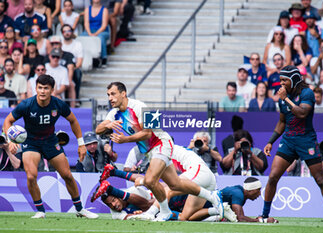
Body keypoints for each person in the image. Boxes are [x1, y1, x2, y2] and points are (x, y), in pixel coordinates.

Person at [95, 81, 223, 221]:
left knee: (150, 180)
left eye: (113, 94)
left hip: (162, 143)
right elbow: (98, 129)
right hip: (150, 151)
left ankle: (164, 211)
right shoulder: (114, 113)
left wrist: (125, 139)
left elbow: (148, 133)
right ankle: (211, 196)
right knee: (175, 184)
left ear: (123, 93)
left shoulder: (140, 107)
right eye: (108, 95)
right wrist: (108, 123)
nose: (110, 98)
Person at [2, 74, 98, 219]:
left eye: (46, 88)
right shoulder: (26, 104)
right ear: (36, 88)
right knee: (31, 176)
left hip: (51, 142)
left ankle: (80, 209)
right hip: (31, 143)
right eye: (40, 88)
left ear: (52, 90)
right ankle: (40, 210)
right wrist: (11, 140)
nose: (42, 91)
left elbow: (73, 121)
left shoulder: (58, 104)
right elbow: (8, 121)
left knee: (67, 175)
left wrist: (81, 144)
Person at [261, 65, 323, 224]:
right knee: (272, 177)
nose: (281, 84)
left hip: (306, 140)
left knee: (320, 179)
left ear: (294, 79)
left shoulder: (307, 93)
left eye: (285, 80)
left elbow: (302, 113)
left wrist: (286, 99)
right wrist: (271, 141)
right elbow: (282, 122)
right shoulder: (283, 97)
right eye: (280, 80)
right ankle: (264, 215)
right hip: (288, 141)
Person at [44, 35, 76, 107]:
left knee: (71, 84)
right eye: (53, 56)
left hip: (58, 94)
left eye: (57, 57)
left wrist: (55, 93)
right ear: (50, 56)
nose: (55, 59)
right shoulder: (44, 67)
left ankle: (73, 109)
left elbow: (64, 86)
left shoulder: (64, 68)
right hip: (45, 93)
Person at [82, 0, 109, 67]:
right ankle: (82, 57)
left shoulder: (104, 10)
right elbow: (86, 23)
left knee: (100, 38)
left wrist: (95, 33)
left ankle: (104, 58)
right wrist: (89, 33)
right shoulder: (87, 9)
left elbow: (104, 25)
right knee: (81, 37)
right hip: (90, 30)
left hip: (102, 31)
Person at [61, 24, 83, 105]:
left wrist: (70, 69)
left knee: (77, 73)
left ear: (72, 32)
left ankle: (76, 98)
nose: (67, 33)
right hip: (61, 68)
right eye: (65, 31)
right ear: (62, 33)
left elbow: (79, 62)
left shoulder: (78, 44)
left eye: (69, 31)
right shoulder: (60, 44)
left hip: (73, 68)